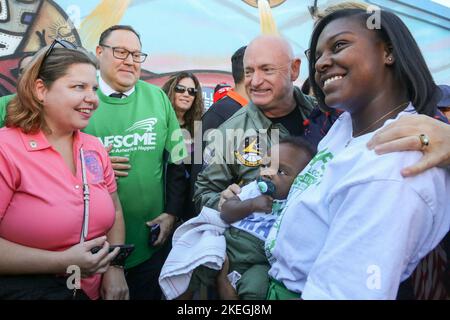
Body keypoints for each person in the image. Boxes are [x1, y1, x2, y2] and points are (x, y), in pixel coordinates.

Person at [265, 8, 450, 299]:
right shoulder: (345, 126)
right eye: (317, 55)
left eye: (339, 45)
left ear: (388, 52)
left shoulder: (394, 166)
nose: (322, 63)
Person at [0, 40, 128, 300]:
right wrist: (61, 262)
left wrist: (115, 268)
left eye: (93, 88)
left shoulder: (93, 148)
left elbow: (114, 209)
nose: (92, 99)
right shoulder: (6, 149)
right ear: (40, 90)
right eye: (78, 87)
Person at [83, 25, 187, 300]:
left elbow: (178, 162)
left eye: (137, 55)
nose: (130, 60)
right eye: (121, 52)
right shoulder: (81, 98)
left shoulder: (157, 98)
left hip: (149, 246)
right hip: (88, 251)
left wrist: (172, 214)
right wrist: (93, 162)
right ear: (99, 53)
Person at [194, 35, 337, 212]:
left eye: (267, 70)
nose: (255, 81)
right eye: (249, 72)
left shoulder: (326, 115)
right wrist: (222, 202)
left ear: (294, 69)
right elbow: (203, 193)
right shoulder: (228, 132)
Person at [176, 137, 316, 300]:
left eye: (281, 171)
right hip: (228, 246)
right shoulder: (254, 189)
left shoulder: (295, 203)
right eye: (265, 165)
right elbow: (226, 212)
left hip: (259, 261)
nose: (268, 173)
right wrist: (251, 205)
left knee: (257, 288)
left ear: (302, 182)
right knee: (194, 266)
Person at [161, 72, 204, 221]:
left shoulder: (199, 127)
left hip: (189, 205)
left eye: (192, 91)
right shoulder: (159, 124)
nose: (186, 94)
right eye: (180, 89)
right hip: (163, 201)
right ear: (171, 90)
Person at [0, 53, 35, 127]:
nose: (28, 74)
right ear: (19, 76)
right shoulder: (3, 103)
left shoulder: (56, 103)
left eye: (34, 69)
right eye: (23, 71)